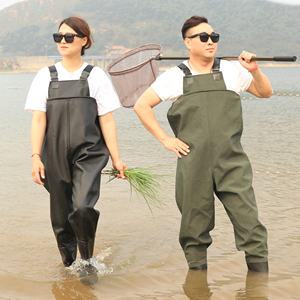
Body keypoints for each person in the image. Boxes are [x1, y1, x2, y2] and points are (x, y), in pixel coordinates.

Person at [134, 15, 272, 272]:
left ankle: (260, 286)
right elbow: (142, 105)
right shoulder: (174, 76)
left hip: (232, 161)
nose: (211, 42)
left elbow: (265, 92)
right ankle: (198, 283)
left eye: (214, 37)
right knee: (194, 229)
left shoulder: (232, 70)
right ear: (188, 42)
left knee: (250, 223)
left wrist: (255, 70)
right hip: (192, 162)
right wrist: (165, 139)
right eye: (204, 37)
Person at [25, 16, 127, 282]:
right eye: (58, 37)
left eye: (69, 37)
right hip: (54, 154)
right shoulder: (45, 75)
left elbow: (106, 118)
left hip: (89, 153)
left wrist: (116, 158)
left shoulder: (95, 75)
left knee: (81, 207)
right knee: (60, 214)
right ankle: (70, 265)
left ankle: (87, 259)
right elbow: (39, 119)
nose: (63, 41)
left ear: (84, 40)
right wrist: (36, 156)